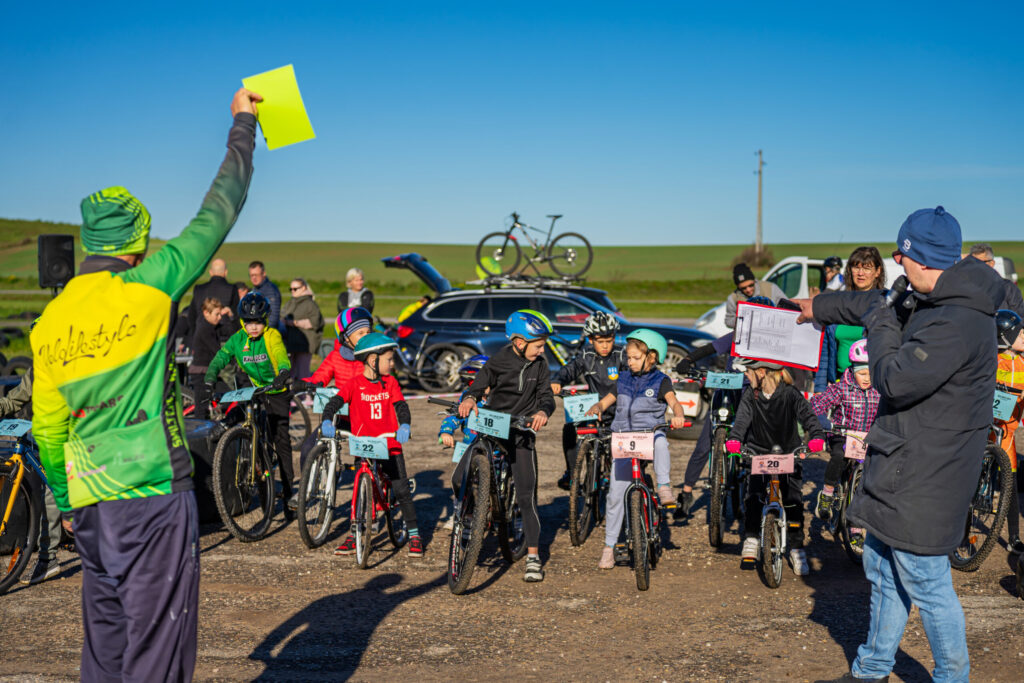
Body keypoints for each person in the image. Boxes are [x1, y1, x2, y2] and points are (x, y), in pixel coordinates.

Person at [30, 87, 261, 682]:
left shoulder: (51, 320)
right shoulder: (152, 284)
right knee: (156, 656)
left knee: (105, 654)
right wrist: (243, 123)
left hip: (89, 507)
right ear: (136, 242)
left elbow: (48, 431)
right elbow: (220, 209)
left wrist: (68, 501)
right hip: (152, 496)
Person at [800, 206, 1005, 683]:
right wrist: (817, 309)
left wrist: (881, 327)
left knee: (927, 583)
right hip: (903, 464)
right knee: (881, 567)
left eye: (901, 254)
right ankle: (871, 669)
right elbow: (872, 307)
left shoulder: (956, 321)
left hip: (929, 475)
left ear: (921, 258)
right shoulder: (937, 293)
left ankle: (953, 678)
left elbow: (893, 379)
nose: (895, 261)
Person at [458, 310, 556, 582]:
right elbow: (477, 387)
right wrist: (469, 399)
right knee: (461, 475)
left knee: (527, 495)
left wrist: (543, 412)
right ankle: (469, 520)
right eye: (538, 344)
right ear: (519, 342)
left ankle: (534, 557)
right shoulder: (499, 360)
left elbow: (547, 396)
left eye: (543, 344)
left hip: (521, 431)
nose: (542, 349)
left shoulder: (541, 365)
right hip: (494, 427)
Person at [586, 329, 688, 570]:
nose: (628, 361)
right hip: (623, 437)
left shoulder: (661, 381)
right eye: (628, 357)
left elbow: (673, 401)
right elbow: (609, 398)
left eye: (633, 358)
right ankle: (609, 547)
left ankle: (663, 486)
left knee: (661, 441)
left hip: (649, 434)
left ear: (650, 357)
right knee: (614, 496)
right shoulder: (622, 378)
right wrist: (598, 406)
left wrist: (678, 414)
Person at [320, 333, 423, 557]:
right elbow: (334, 403)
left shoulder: (391, 382)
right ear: (373, 360)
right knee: (359, 487)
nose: (392, 363)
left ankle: (414, 534)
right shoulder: (354, 384)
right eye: (389, 359)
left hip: (389, 445)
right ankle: (354, 532)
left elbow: (401, 406)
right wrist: (327, 420)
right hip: (364, 445)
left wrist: (404, 425)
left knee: (401, 489)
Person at [724, 358, 825, 575]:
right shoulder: (751, 395)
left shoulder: (790, 393)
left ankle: (797, 547)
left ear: (761, 372)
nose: (746, 377)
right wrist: (735, 439)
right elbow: (741, 421)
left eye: (749, 373)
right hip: (759, 452)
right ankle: (751, 538)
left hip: (789, 451)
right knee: (754, 495)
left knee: (792, 499)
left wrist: (816, 436)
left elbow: (808, 417)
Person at [205, 292, 295, 514]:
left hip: (277, 390)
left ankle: (290, 493)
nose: (253, 327)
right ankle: (260, 479)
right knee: (252, 427)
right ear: (242, 322)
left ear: (265, 320)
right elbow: (220, 359)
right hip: (256, 390)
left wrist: (283, 372)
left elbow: (280, 354)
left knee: (281, 441)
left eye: (258, 322)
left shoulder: (271, 336)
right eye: (249, 322)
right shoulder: (238, 339)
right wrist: (209, 380)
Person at [0, 346, 64, 586]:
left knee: (52, 491)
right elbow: (17, 397)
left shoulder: (71, 363)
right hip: (47, 435)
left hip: (72, 434)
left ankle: (48, 557)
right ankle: (48, 557)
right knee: (49, 489)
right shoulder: (39, 368)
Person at [549, 311, 625, 490]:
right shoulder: (586, 356)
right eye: (600, 341)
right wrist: (557, 381)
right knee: (569, 428)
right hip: (592, 410)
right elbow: (569, 370)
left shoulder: (622, 355)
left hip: (618, 412)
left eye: (609, 340)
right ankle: (571, 473)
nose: (605, 346)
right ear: (591, 340)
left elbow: (629, 379)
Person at [809, 339, 880, 526]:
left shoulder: (879, 391)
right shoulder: (842, 387)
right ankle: (827, 492)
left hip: (867, 437)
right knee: (838, 455)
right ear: (853, 371)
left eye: (870, 374)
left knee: (871, 474)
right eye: (862, 373)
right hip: (843, 433)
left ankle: (856, 528)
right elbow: (819, 403)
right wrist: (823, 420)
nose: (867, 378)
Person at [814, 246, 886, 393]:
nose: (860, 273)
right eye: (856, 267)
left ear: (877, 272)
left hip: (873, 387)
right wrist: (820, 390)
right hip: (840, 386)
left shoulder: (885, 305)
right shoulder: (839, 304)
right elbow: (825, 355)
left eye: (867, 268)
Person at [438, 355, 489, 530]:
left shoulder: (500, 399)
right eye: (468, 384)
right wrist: (446, 431)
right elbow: (454, 416)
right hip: (470, 449)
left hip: (496, 451)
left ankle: (515, 515)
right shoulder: (466, 398)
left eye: (472, 383)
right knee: (459, 481)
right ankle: (463, 513)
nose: (470, 388)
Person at [994, 309, 1024, 553]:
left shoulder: (1023, 363)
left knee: (1010, 485)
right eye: (1019, 333)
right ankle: (959, 532)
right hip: (983, 429)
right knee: (968, 482)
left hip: (1008, 433)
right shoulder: (992, 359)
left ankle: (1014, 537)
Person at [183, 258, 239, 345]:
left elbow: (191, 317)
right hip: (225, 339)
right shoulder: (232, 289)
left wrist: (196, 334)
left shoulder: (199, 289)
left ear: (210, 272)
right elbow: (237, 317)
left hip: (201, 338)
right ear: (226, 272)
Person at [188, 297, 225, 419]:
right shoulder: (205, 328)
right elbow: (216, 350)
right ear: (206, 313)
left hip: (209, 371)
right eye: (217, 314)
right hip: (201, 373)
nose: (219, 317)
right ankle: (200, 435)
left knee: (224, 394)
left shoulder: (212, 326)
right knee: (201, 408)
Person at [282, 277, 324, 380]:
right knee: (289, 373)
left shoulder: (310, 304)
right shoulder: (291, 303)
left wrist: (294, 323)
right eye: (291, 289)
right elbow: (281, 316)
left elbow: (316, 322)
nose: (292, 291)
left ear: (304, 288)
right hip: (291, 344)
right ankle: (291, 395)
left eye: (295, 289)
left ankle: (305, 395)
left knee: (303, 374)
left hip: (305, 345)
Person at [724, 263, 786, 329]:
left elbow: (787, 308)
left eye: (750, 285)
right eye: (743, 288)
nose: (748, 290)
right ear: (738, 287)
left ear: (754, 280)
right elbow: (728, 321)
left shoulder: (771, 288)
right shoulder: (733, 298)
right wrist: (740, 319)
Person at [969, 242, 1024, 317]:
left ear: (991, 263)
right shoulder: (966, 288)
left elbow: (1019, 317)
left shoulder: (1008, 288)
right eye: (973, 263)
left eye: (980, 262)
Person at [249, 260, 283, 330]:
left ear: (264, 273)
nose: (254, 278)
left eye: (256, 275)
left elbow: (273, 317)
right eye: (251, 275)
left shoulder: (271, 290)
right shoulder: (255, 289)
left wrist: (262, 332)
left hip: (267, 333)